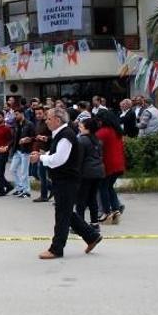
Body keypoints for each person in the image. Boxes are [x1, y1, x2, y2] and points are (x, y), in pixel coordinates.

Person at [30, 108, 103, 259]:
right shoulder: (61, 134)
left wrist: (41, 159)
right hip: (63, 179)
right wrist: (43, 155)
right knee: (66, 212)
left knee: (62, 215)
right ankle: (91, 236)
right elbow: (55, 154)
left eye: (49, 118)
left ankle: (56, 249)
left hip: (67, 180)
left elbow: (59, 160)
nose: (46, 121)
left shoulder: (66, 135)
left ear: (57, 120)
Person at [96, 110, 126, 224]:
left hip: (108, 163)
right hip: (118, 163)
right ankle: (116, 210)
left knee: (103, 187)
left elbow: (95, 145)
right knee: (109, 187)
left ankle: (106, 213)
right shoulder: (116, 130)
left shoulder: (103, 132)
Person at [75, 118, 104, 231]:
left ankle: (80, 225)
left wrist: (76, 173)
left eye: (81, 126)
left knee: (81, 200)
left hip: (86, 173)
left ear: (87, 128)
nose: (79, 128)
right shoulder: (98, 140)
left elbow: (79, 159)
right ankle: (94, 223)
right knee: (92, 198)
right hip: (98, 172)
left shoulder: (82, 140)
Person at [9, 109, 35, 198]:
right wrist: (8, 147)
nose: (15, 116)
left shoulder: (29, 124)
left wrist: (27, 139)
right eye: (14, 115)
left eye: (16, 114)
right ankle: (20, 188)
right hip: (17, 150)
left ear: (22, 113)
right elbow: (14, 138)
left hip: (26, 151)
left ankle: (27, 191)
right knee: (12, 169)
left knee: (24, 172)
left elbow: (34, 137)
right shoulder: (16, 124)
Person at [31, 107, 52, 202]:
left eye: (40, 113)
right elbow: (36, 137)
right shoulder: (38, 123)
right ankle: (52, 189)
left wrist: (45, 138)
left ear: (44, 113)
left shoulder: (48, 123)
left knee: (42, 173)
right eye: (36, 114)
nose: (38, 116)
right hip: (39, 151)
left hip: (48, 151)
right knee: (36, 173)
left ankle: (44, 195)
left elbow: (54, 136)